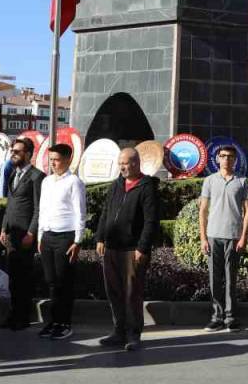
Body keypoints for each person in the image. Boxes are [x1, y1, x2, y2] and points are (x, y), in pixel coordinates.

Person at [95, 148, 160, 350]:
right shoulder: (117, 184)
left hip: (133, 250)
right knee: (114, 292)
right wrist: (100, 238)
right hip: (112, 248)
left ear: (135, 163)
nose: (121, 167)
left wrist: (142, 247)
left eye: (125, 163)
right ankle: (118, 331)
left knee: (132, 293)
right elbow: (106, 211)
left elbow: (151, 221)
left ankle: (133, 334)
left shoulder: (146, 186)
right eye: (119, 163)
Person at [198, 145, 248, 332]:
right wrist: (203, 237)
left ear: (235, 159)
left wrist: (243, 236)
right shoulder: (210, 181)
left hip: (234, 237)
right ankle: (216, 317)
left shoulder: (242, 182)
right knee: (214, 278)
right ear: (217, 159)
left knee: (231, 279)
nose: (226, 159)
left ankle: (230, 317)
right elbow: (203, 210)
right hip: (213, 236)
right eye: (223, 156)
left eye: (230, 156)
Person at [37, 144, 86, 340]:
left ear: (67, 159)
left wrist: (78, 240)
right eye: (51, 159)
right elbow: (43, 209)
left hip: (65, 236)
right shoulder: (47, 181)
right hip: (48, 236)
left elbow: (80, 213)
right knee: (51, 282)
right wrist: (40, 235)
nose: (53, 163)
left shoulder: (74, 182)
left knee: (63, 282)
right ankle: (53, 321)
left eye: (56, 159)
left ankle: (64, 323)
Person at [0, 137, 43, 331]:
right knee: (12, 278)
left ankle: (22, 317)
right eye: (12, 151)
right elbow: (10, 204)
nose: (13, 154)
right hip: (11, 235)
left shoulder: (36, 177)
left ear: (28, 154)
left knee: (23, 278)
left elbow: (39, 208)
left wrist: (32, 232)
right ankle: (13, 314)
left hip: (25, 235)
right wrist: (3, 228)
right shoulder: (12, 174)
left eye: (17, 151)